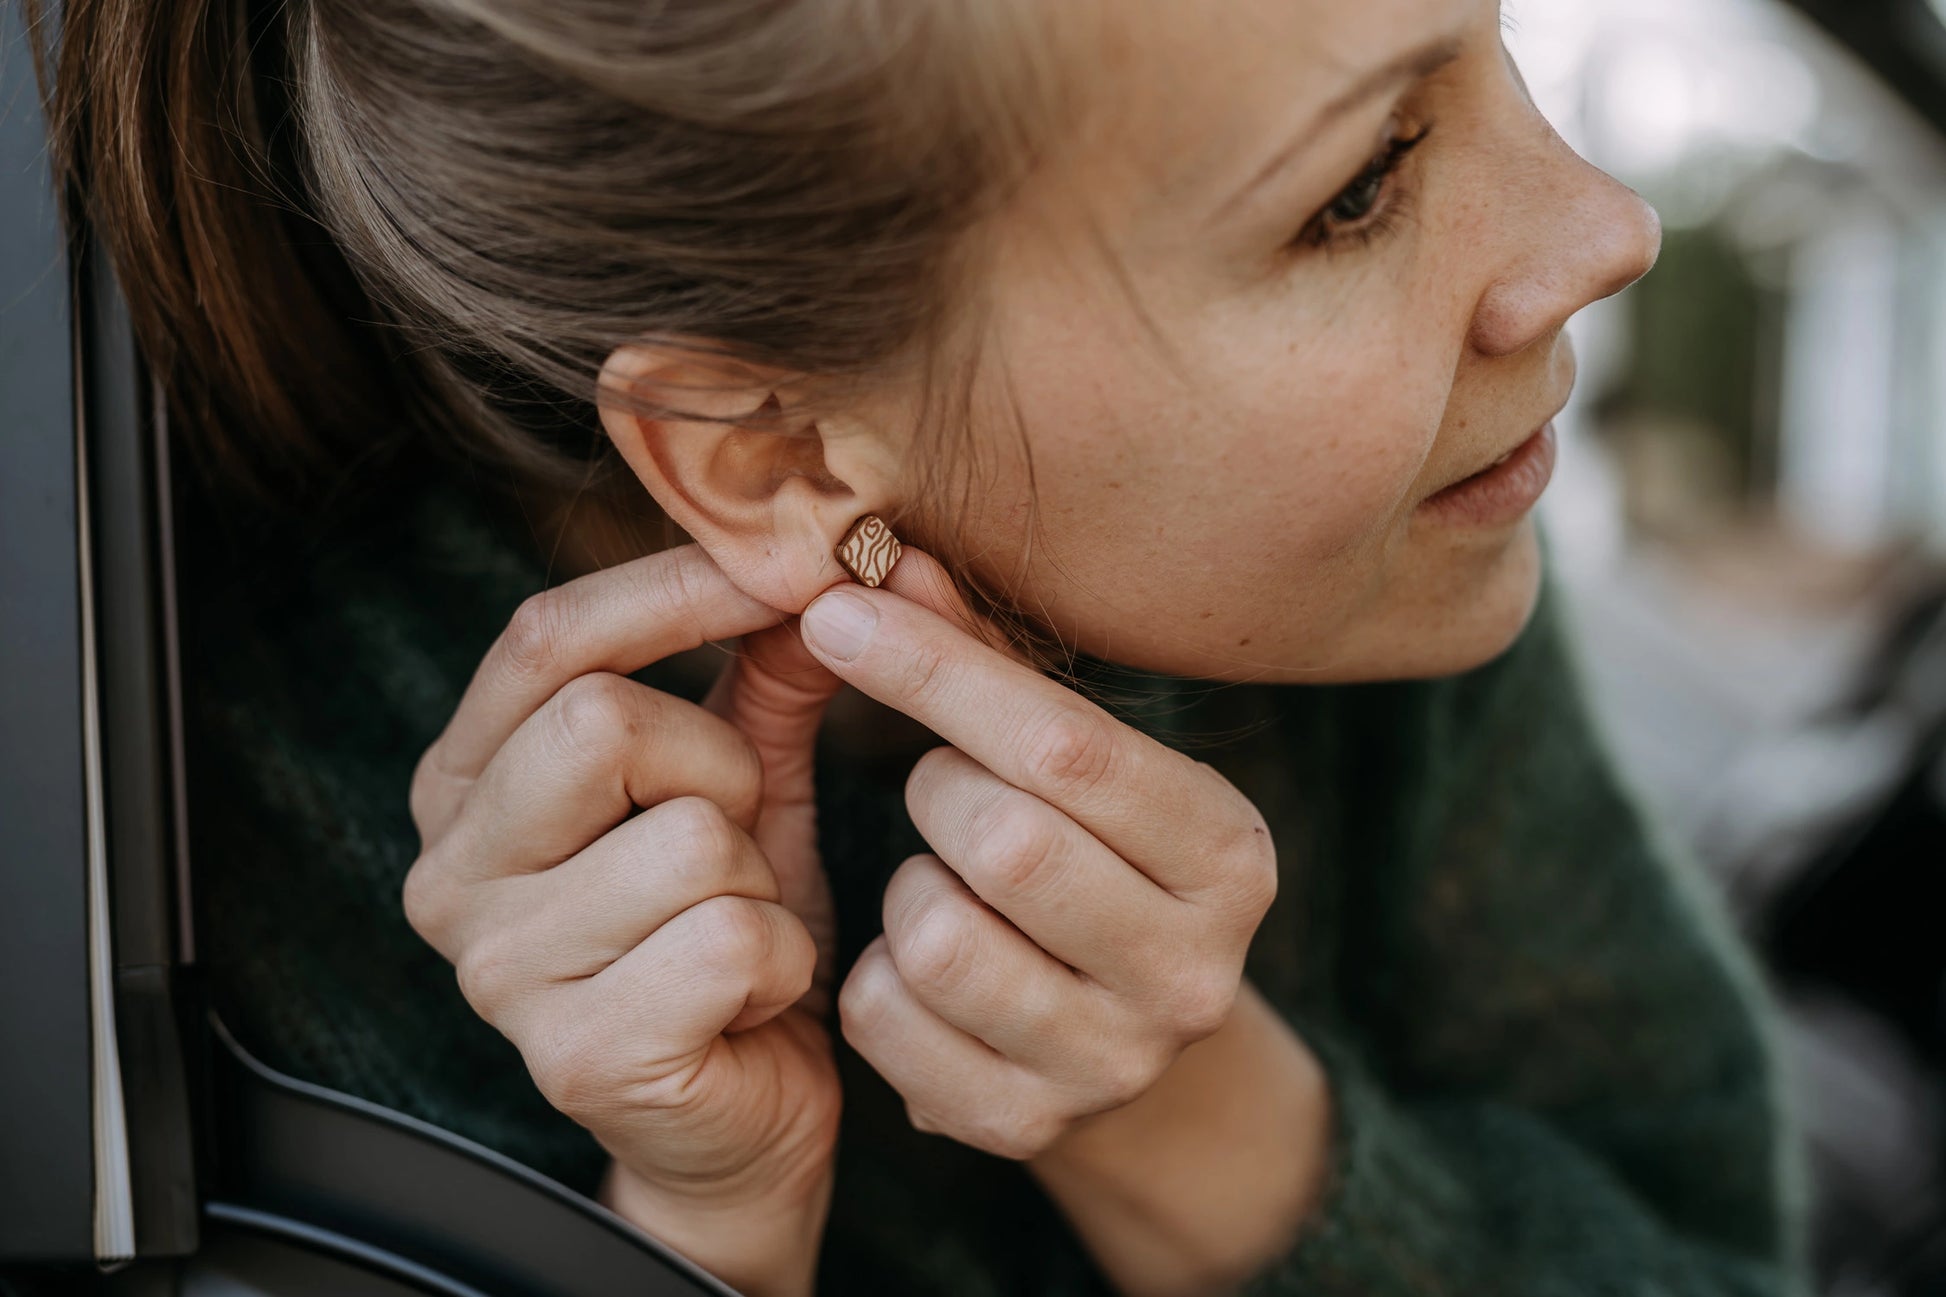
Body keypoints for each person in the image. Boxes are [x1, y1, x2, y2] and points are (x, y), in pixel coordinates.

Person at [31, 0, 1813, 1293]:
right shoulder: (171, 837)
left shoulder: (1395, 547)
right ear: (777, 459)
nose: (1604, 227)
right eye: (1358, 187)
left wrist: (1207, 1131)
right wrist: (699, 1239)